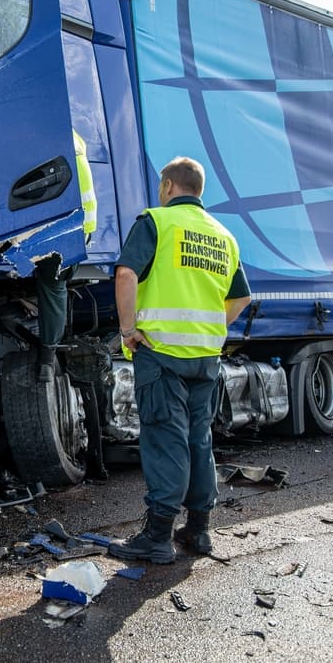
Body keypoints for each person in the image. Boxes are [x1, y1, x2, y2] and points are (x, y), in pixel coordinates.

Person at [109, 156, 251, 563]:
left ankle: (157, 536)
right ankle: (200, 531)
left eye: (161, 185)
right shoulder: (223, 235)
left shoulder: (157, 221)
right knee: (198, 440)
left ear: (169, 185)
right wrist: (208, 328)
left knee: (165, 439)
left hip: (161, 353)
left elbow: (125, 274)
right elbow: (240, 297)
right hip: (206, 357)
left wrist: (127, 329)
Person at [35, 129, 98, 382]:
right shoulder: (71, 134)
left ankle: (47, 359)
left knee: (52, 284)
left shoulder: (46, 136)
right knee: (54, 283)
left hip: (66, 230)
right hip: (81, 229)